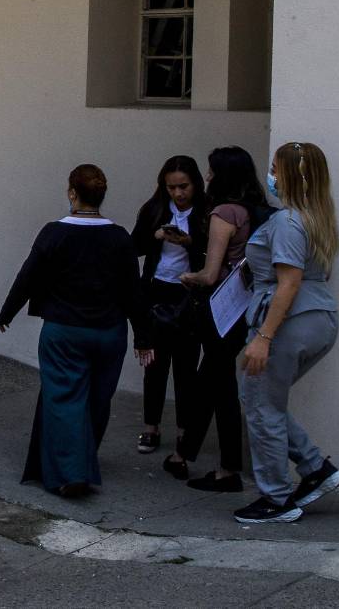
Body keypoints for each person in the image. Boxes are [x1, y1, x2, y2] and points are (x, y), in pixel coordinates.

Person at [0, 164, 153, 496]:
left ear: (72, 193)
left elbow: (29, 275)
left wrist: (7, 312)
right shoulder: (119, 237)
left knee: (65, 399)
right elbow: (133, 291)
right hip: (110, 333)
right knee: (98, 400)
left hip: (64, 331)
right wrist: (143, 335)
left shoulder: (55, 233)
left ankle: (70, 472)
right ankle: (83, 457)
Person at [234, 141, 339, 524]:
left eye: (275, 169)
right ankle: (316, 469)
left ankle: (276, 497)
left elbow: (288, 283)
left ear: (292, 177)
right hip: (317, 318)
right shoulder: (316, 218)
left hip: (289, 322)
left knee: (260, 403)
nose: (271, 176)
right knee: (265, 398)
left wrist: (263, 337)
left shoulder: (287, 222)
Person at [170, 147, 273, 491]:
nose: (208, 177)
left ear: (224, 175)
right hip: (250, 307)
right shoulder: (261, 212)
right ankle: (184, 453)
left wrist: (188, 278)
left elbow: (210, 274)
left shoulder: (224, 213)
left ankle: (225, 468)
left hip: (221, 310)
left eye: (212, 171)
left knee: (218, 386)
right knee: (214, 380)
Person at [131, 155, 206, 471]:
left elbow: (209, 252)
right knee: (154, 363)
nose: (178, 193)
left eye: (184, 187)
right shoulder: (154, 209)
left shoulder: (205, 212)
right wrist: (157, 237)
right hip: (157, 290)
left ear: (195, 184)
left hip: (189, 292)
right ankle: (151, 426)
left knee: (186, 366)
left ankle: (183, 430)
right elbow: (133, 246)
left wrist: (189, 242)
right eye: (172, 187)